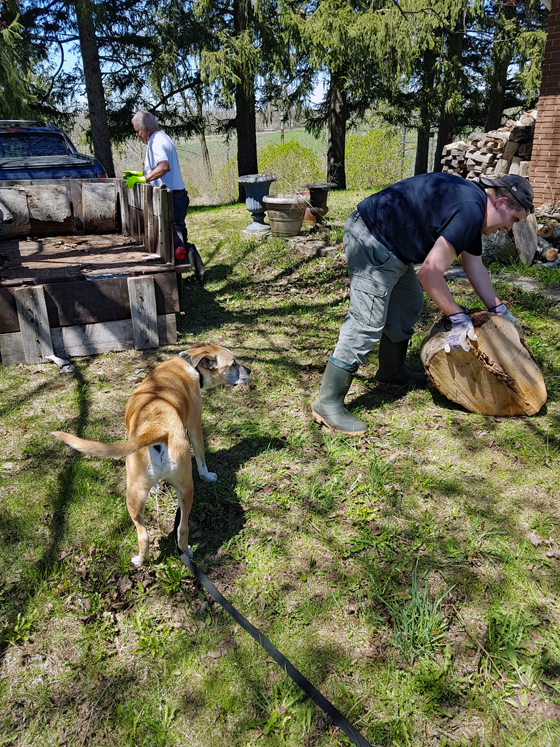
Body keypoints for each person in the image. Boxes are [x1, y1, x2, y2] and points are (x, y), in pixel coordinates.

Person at [312, 172, 534, 436]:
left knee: (408, 304)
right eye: (513, 219)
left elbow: (474, 266)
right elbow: (429, 273)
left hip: (392, 246)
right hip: (370, 236)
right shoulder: (470, 210)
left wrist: (499, 309)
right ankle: (328, 403)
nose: (509, 228)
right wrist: (458, 317)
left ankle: (391, 371)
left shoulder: (475, 209)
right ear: (502, 202)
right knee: (366, 323)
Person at [130, 111, 207, 282]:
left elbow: (164, 167)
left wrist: (144, 178)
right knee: (176, 235)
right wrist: (142, 173)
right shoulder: (161, 137)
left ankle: (192, 273)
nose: (137, 135)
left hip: (172, 197)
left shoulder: (156, 141)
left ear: (146, 129)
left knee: (175, 237)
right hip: (175, 195)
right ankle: (198, 271)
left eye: (137, 131)